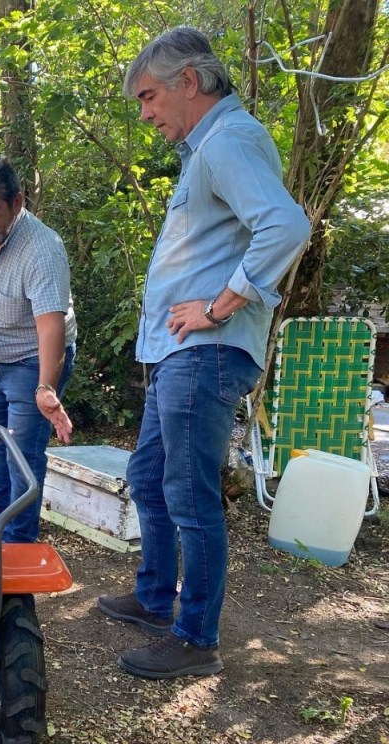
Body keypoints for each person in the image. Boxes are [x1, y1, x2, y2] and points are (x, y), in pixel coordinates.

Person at [97, 27, 311, 679]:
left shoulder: (230, 140)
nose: (145, 113)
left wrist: (220, 304)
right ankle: (156, 597)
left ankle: (196, 637)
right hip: (180, 353)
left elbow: (287, 224)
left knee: (188, 493)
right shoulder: (208, 150)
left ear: (188, 83)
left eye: (149, 96)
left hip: (207, 349)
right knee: (150, 476)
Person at [0, 155, 77, 544]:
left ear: (16, 203)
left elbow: (51, 323)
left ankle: (18, 545)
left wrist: (45, 388)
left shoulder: (42, 248)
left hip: (34, 361)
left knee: (21, 455)